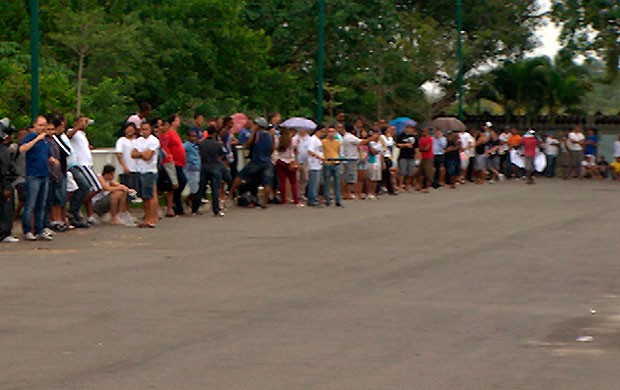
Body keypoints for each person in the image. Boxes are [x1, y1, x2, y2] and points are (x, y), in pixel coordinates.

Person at [19, 115, 57, 241]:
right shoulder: (31, 137)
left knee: (42, 204)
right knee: (31, 204)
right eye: (40, 125)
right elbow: (22, 149)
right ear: (35, 125)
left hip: (44, 174)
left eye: (44, 125)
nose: (43, 128)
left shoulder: (46, 140)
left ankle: (40, 229)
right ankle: (27, 229)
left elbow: (46, 155)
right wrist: (36, 139)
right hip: (33, 174)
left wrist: (51, 160)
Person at [229, 117, 274, 208]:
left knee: (241, 175)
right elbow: (272, 149)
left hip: (256, 160)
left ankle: (230, 193)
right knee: (267, 182)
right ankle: (265, 202)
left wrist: (252, 134)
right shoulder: (270, 135)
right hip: (267, 161)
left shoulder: (256, 134)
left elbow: (247, 144)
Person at [66, 116, 102, 227]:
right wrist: (77, 127)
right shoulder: (73, 132)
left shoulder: (82, 135)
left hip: (88, 163)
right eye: (83, 121)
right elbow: (69, 136)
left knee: (89, 188)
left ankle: (76, 206)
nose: (85, 124)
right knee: (96, 187)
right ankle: (75, 207)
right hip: (81, 164)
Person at [194, 126, 232, 216]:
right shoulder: (217, 144)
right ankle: (216, 209)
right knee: (215, 189)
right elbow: (222, 155)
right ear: (215, 133)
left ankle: (195, 208)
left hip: (204, 166)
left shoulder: (201, 144)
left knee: (201, 188)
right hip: (215, 167)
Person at [132, 122, 160, 228]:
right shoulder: (138, 141)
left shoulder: (154, 141)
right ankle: (146, 217)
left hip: (150, 170)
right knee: (144, 197)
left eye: (147, 129)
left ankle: (152, 218)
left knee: (150, 195)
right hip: (140, 170)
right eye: (143, 129)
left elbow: (148, 156)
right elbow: (133, 154)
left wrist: (141, 153)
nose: (144, 131)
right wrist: (141, 154)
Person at [159, 114, 187, 216]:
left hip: (179, 162)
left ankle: (177, 205)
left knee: (180, 182)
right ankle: (176, 204)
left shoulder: (175, 133)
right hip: (174, 162)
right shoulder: (169, 134)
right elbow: (165, 146)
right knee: (180, 182)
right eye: (177, 120)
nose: (179, 122)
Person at [275, 127, 302, 206]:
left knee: (282, 181)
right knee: (293, 182)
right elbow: (296, 151)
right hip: (290, 161)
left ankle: (283, 200)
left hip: (280, 161)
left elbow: (276, 149)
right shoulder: (293, 140)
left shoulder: (278, 140)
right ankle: (296, 200)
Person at [0, 124, 18, 242]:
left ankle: (5, 232)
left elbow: (8, 170)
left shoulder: (4, 151)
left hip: (4, 182)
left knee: (5, 208)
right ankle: (4, 232)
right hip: (4, 183)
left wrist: (7, 184)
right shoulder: (4, 151)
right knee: (5, 208)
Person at [322, 126, 343, 207]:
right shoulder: (323, 142)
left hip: (336, 162)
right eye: (329, 132)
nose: (331, 134)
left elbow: (338, 152)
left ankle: (338, 200)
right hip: (327, 163)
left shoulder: (337, 142)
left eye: (333, 132)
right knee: (327, 182)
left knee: (337, 182)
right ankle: (327, 199)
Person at [115, 122, 139, 191]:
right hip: (125, 169)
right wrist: (124, 166)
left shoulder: (137, 141)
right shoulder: (121, 140)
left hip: (136, 169)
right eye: (128, 129)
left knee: (135, 190)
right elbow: (119, 154)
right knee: (126, 190)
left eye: (132, 129)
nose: (130, 131)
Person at [306, 126, 326, 206]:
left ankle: (314, 197)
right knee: (314, 182)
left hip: (319, 164)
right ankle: (312, 199)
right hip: (314, 164)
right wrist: (319, 157)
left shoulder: (318, 140)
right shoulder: (313, 139)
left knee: (317, 182)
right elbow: (310, 151)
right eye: (322, 131)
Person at [395, 124, 417, 192]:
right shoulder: (401, 135)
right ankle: (400, 186)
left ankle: (408, 186)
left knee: (410, 172)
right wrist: (405, 145)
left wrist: (416, 157)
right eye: (408, 128)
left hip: (411, 156)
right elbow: (397, 144)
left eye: (411, 129)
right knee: (402, 172)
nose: (409, 130)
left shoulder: (414, 137)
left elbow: (416, 147)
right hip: (403, 156)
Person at [183, 129, 202, 209]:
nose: (194, 138)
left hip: (197, 168)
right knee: (193, 188)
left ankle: (191, 203)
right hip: (190, 168)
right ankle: (188, 200)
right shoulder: (186, 145)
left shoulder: (196, 145)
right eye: (192, 136)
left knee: (195, 187)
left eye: (195, 136)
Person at [292, 127, 310, 199]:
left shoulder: (309, 139)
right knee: (297, 178)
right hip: (297, 160)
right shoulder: (295, 138)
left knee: (305, 178)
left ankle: (302, 193)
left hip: (306, 161)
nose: (302, 131)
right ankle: (296, 194)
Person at [365, 130, 383, 199]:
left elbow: (381, 153)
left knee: (376, 179)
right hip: (371, 161)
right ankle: (369, 192)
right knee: (370, 178)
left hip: (378, 162)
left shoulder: (380, 143)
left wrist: (382, 163)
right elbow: (373, 152)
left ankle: (373, 192)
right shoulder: (370, 143)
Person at [417, 127, 433, 193]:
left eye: (425, 132)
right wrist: (422, 148)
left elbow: (427, 148)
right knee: (420, 172)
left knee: (427, 172)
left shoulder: (429, 139)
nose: (424, 133)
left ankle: (427, 187)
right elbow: (420, 148)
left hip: (429, 157)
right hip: (422, 157)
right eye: (423, 132)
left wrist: (422, 148)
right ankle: (420, 186)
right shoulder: (421, 139)